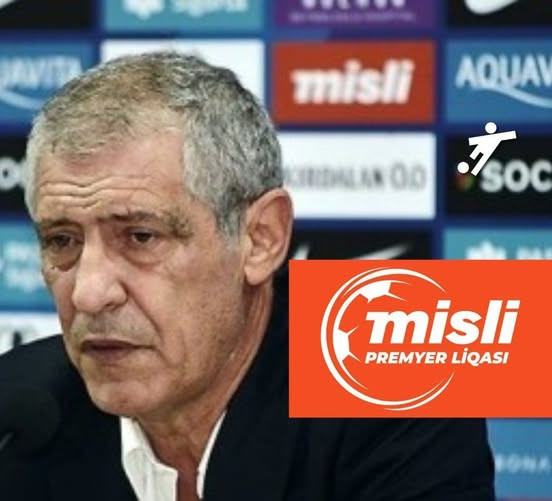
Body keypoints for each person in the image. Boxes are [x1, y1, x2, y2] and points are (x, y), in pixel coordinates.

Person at [0, 52, 495, 501]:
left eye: (141, 237)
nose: (88, 293)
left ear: (260, 239)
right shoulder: (17, 413)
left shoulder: (403, 376)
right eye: (62, 241)